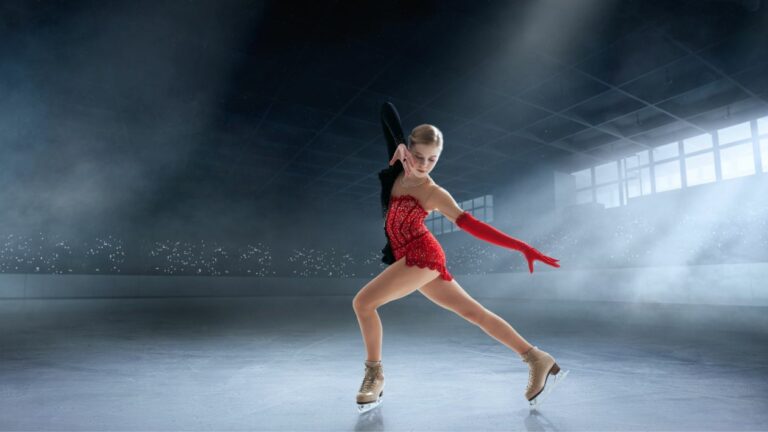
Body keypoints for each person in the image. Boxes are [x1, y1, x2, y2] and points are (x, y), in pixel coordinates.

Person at [352, 102, 567, 413]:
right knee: (474, 314)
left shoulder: (434, 192)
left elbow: (473, 226)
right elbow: (386, 109)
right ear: (408, 150)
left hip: (421, 255)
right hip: (410, 257)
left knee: (363, 303)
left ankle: (375, 375)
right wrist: (397, 142)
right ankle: (536, 357)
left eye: (433, 159)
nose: (424, 164)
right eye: (419, 156)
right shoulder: (398, 165)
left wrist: (523, 247)